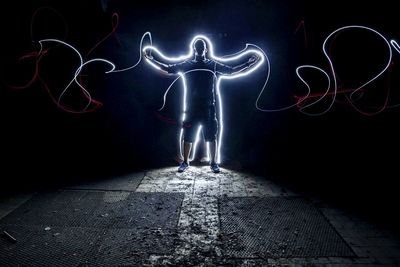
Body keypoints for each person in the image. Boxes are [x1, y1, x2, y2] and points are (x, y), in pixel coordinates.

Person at [143, 38, 261, 173]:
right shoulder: (187, 64)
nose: (200, 48)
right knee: (188, 135)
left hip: (209, 107)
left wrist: (249, 63)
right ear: (194, 48)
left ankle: (213, 162)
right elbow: (167, 68)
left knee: (211, 135)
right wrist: (151, 60)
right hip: (192, 107)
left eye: (202, 46)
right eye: (197, 46)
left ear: (206, 49)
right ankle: (185, 162)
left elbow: (232, 70)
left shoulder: (213, 65)